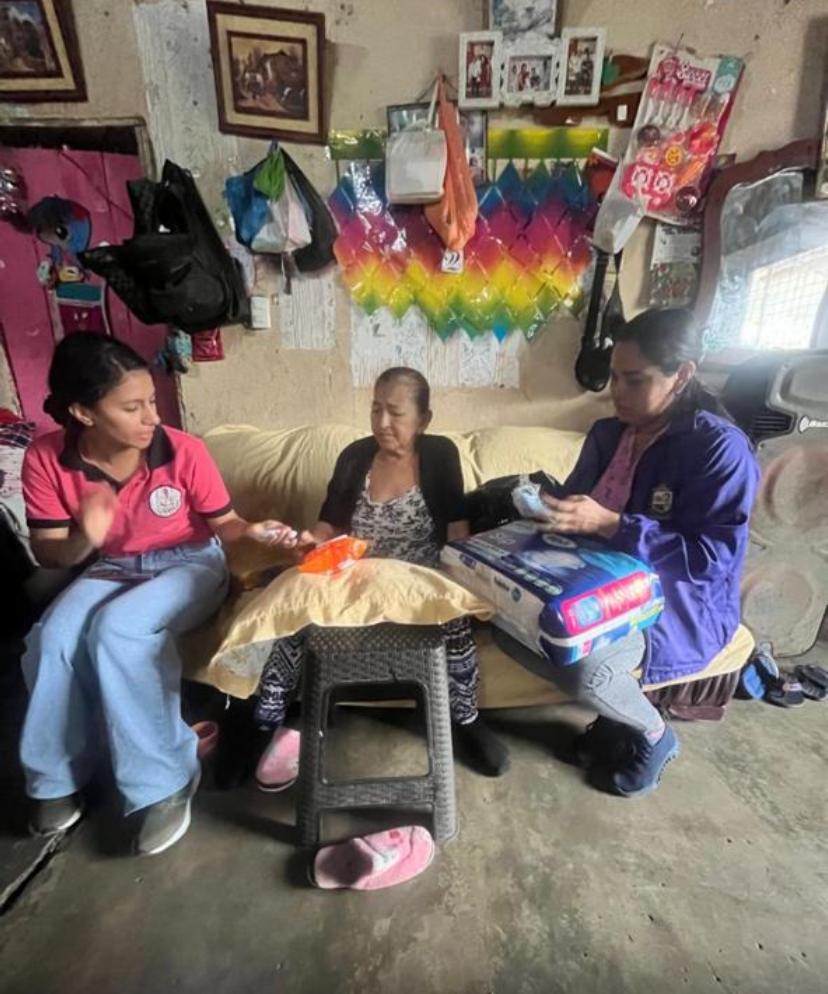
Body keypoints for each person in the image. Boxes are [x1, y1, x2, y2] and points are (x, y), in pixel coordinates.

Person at [20, 334, 299, 855]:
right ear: (83, 411)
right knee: (52, 638)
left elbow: (225, 525)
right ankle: (56, 775)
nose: (152, 417)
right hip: (113, 567)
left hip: (190, 562)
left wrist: (253, 531)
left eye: (152, 400)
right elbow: (50, 553)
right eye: (132, 407)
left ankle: (165, 780)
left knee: (117, 629)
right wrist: (85, 538)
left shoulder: (181, 450)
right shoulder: (45, 457)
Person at [518, 309, 759, 797]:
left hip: (676, 605)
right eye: (613, 378)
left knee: (588, 669)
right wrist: (548, 509)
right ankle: (615, 722)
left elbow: (710, 558)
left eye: (635, 380)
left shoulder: (718, 450)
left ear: (682, 375)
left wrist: (611, 524)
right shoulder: (608, 434)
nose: (617, 392)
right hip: (596, 582)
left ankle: (652, 733)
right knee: (515, 628)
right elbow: (578, 503)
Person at [255, 367, 510, 786]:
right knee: (294, 616)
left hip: (419, 577)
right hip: (357, 576)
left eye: (396, 412)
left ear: (423, 420)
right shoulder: (355, 456)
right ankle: (273, 721)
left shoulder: (440, 454)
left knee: (455, 623)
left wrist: (465, 582)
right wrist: (309, 540)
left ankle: (464, 720)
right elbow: (328, 525)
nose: (382, 422)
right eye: (376, 409)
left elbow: (456, 530)